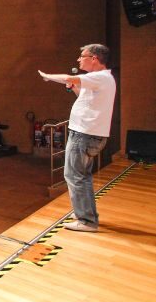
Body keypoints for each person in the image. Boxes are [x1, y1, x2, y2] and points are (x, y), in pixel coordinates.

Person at [38, 43, 115, 233]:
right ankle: (84, 213)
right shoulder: (100, 79)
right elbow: (84, 97)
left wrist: (47, 76)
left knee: (74, 176)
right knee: (82, 176)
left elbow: (67, 77)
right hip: (87, 135)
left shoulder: (99, 76)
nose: (79, 59)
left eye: (83, 56)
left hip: (84, 135)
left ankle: (87, 220)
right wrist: (73, 87)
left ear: (94, 58)